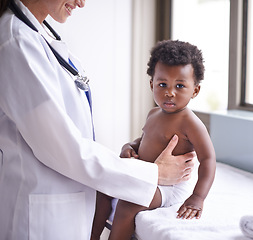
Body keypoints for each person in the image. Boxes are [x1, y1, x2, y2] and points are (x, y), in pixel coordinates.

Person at [0, 1, 195, 239]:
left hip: (62, 206)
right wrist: (153, 173)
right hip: (38, 218)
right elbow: (62, 149)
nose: (81, 3)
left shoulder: (38, 37)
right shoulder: (17, 43)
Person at [91, 40, 217, 240]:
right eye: (162, 84)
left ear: (195, 90)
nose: (170, 92)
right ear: (152, 85)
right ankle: (92, 236)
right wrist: (129, 147)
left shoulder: (191, 123)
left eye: (180, 86)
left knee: (128, 204)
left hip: (170, 188)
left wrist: (197, 197)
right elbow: (143, 140)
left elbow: (209, 159)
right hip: (147, 177)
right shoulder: (153, 113)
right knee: (103, 189)